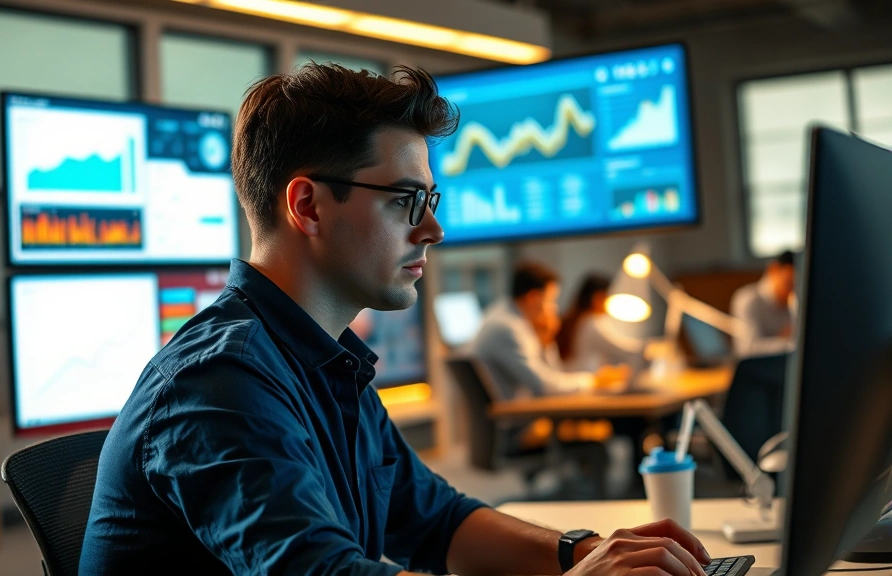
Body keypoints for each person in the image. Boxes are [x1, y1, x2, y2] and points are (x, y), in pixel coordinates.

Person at [80, 63, 712, 576]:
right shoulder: (218, 381)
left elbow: (439, 522)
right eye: (408, 201)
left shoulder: (325, 361)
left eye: (430, 201)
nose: (433, 229)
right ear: (308, 206)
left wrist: (586, 554)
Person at [472, 263, 630, 401]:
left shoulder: (507, 316)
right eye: (551, 300)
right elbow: (544, 386)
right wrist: (594, 381)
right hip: (516, 421)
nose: (554, 308)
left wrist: (547, 340)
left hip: (517, 413)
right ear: (533, 298)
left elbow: (552, 375)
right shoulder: (508, 328)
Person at [557, 273, 645, 373]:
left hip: (575, 377)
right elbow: (624, 350)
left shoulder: (577, 319)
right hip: (585, 379)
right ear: (598, 298)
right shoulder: (592, 323)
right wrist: (651, 348)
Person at [730, 250, 797, 357]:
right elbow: (748, 349)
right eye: (788, 283)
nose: (791, 291)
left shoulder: (791, 302)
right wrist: (791, 343)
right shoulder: (747, 300)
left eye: (795, 286)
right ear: (773, 270)